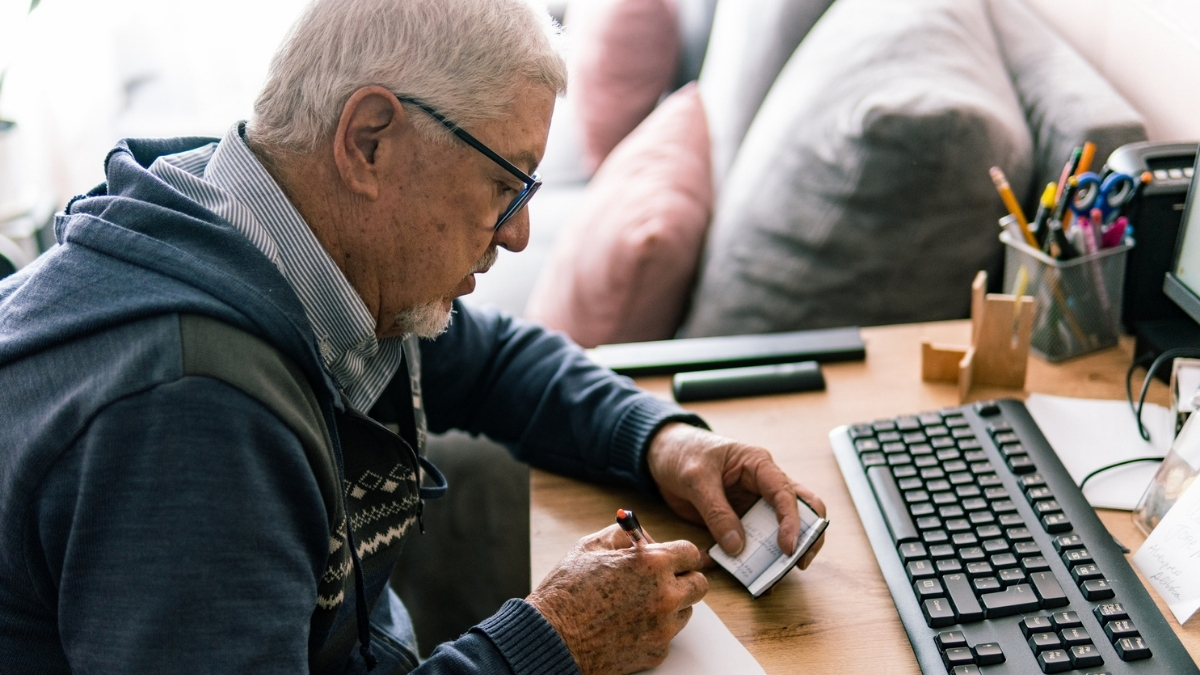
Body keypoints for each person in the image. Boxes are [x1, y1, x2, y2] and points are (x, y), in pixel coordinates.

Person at [0, 0, 826, 673]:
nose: (518, 236)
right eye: (504, 183)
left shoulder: (298, 244)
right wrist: (553, 638)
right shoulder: (192, 415)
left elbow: (498, 356)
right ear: (369, 140)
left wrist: (665, 442)